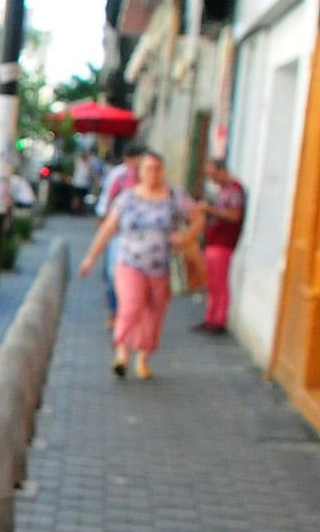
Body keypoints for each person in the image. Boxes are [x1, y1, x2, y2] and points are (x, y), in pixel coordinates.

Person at [77, 149, 204, 379]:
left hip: (162, 267)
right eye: (148, 168)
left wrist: (186, 238)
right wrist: (90, 258)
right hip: (129, 262)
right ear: (140, 172)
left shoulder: (174, 196)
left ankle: (143, 359)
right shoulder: (127, 198)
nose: (153, 173)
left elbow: (198, 217)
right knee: (130, 307)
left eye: (157, 168)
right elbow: (108, 229)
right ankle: (122, 356)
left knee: (153, 315)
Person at [93, 143, 143, 326]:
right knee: (113, 273)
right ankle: (115, 311)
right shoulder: (119, 176)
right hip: (118, 233)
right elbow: (107, 200)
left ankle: (128, 312)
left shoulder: (148, 178)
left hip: (139, 239)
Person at [196, 158, 245, 334]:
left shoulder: (235, 190)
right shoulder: (224, 190)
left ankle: (219, 319)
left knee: (219, 281)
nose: (212, 179)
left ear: (222, 170)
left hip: (224, 242)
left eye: (213, 174)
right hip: (214, 240)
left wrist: (211, 210)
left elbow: (234, 216)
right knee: (212, 281)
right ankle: (210, 317)